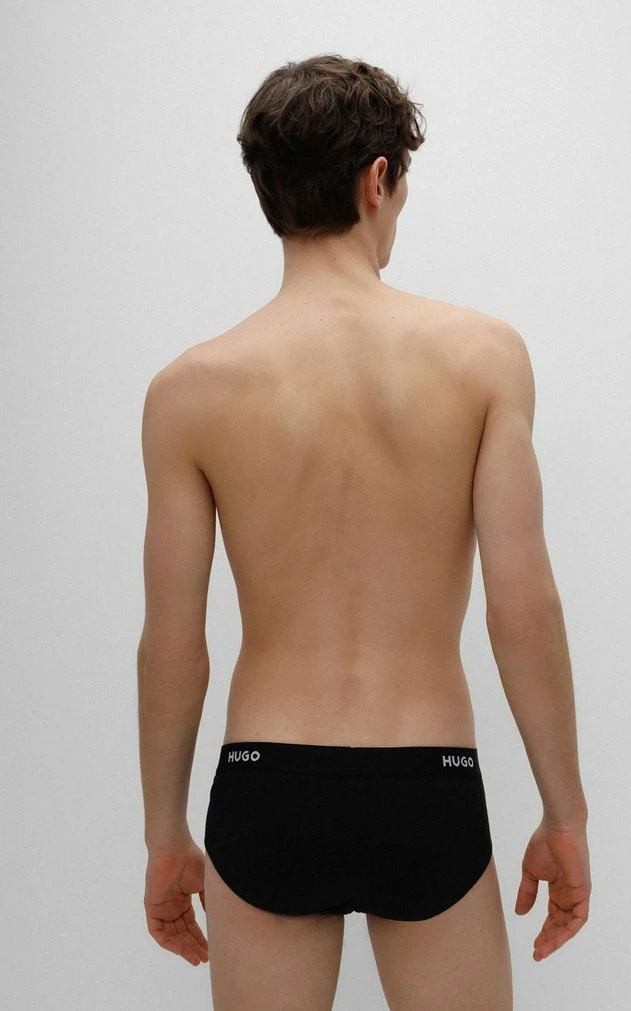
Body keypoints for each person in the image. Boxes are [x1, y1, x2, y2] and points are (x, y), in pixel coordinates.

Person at [137, 53, 591, 1011]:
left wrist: (164, 832)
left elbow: (173, 644)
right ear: (377, 179)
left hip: (266, 782)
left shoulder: (189, 390)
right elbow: (523, 605)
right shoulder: (483, 358)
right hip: (427, 777)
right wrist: (566, 812)